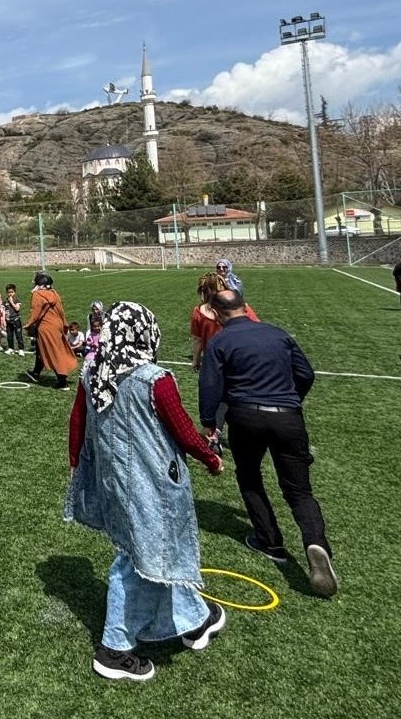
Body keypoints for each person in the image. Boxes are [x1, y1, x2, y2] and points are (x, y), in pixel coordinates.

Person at [65, 302, 226, 682]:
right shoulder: (155, 378)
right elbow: (183, 430)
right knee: (139, 557)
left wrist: (77, 465)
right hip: (152, 483)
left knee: (159, 550)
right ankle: (114, 649)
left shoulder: (93, 371)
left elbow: (78, 422)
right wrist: (211, 459)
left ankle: (194, 620)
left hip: (113, 480)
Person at [198, 289, 338, 598]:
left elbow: (210, 385)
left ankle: (270, 540)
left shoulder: (219, 341)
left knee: (250, 478)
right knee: (299, 491)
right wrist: (291, 401)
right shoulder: (278, 334)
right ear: (245, 307)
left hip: (245, 416)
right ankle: (315, 542)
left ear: (218, 314)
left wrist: (210, 422)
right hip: (287, 417)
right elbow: (306, 373)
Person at [191, 272, 259, 372]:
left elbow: (198, 340)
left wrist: (195, 361)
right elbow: (257, 329)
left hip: (214, 361)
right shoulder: (242, 307)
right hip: (241, 357)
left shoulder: (198, 311)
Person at [25, 272, 77, 389]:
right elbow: (61, 311)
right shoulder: (54, 293)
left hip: (46, 327)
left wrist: (28, 325)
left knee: (52, 352)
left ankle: (62, 380)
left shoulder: (38, 295)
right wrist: (64, 324)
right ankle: (36, 373)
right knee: (42, 350)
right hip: (56, 324)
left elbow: (35, 313)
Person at [3, 284, 24, 356]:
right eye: (9, 292)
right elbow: (3, 310)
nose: (10, 294)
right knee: (9, 336)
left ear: (15, 292)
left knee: (18, 335)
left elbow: (17, 308)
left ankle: (21, 349)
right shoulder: (5, 301)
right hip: (8, 321)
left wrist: (11, 301)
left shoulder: (16, 300)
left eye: (12, 292)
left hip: (16, 320)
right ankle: (11, 348)